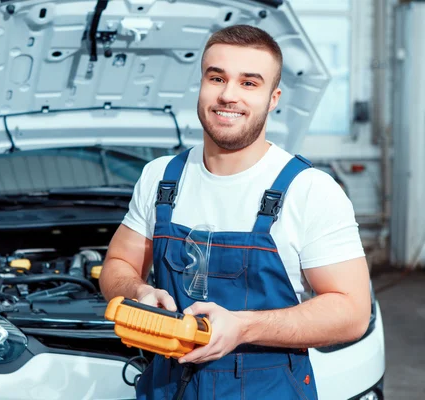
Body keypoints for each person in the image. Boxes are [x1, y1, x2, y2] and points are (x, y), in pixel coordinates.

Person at [99, 25, 371, 399]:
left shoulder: (309, 191)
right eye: (217, 78)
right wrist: (140, 291)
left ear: (273, 98)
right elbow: (117, 263)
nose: (228, 95)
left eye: (249, 83)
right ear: (201, 83)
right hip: (167, 385)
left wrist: (242, 327)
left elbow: (353, 312)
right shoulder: (160, 177)